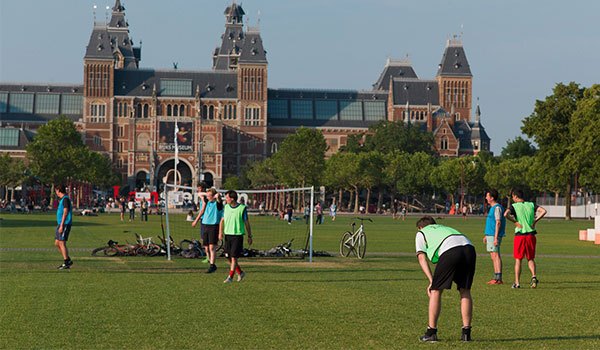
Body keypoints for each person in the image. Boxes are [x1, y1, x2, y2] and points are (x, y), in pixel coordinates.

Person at [415, 216, 476, 342]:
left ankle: (431, 332)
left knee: (436, 291)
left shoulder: (421, 233)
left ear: (420, 227)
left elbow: (421, 258)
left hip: (450, 249)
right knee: (465, 290)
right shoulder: (444, 228)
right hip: (469, 248)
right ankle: (466, 334)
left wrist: (432, 281)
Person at [504, 189, 547, 289]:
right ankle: (533, 276)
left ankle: (517, 282)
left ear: (515, 196)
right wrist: (535, 221)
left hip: (520, 235)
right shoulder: (531, 205)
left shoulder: (514, 206)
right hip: (531, 235)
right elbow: (544, 211)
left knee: (518, 260)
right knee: (530, 258)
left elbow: (506, 214)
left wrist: (515, 222)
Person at [219, 190, 252, 283]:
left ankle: (230, 277)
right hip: (228, 235)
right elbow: (222, 220)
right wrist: (220, 232)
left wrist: (249, 236)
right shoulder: (226, 207)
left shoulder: (242, 208)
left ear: (232, 199)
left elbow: (246, 223)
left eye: (227, 198)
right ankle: (240, 272)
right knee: (228, 256)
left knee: (234, 257)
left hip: (237, 235)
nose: (226, 199)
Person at [193, 188, 224, 273]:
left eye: (209, 196)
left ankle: (212, 265)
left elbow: (219, 201)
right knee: (206, 246)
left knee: (212, 247)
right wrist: (196, 220)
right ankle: (210, 261)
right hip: (205, 225)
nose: (208, 197)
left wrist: (218, 197)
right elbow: (202, 198)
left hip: (213, 226)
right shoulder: (206, 202)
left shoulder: (218, 204)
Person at [483, 189, 506, 284]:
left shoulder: (497, 208)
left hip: (494, 235)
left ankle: (498, 277)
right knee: (493, 255)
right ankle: (496, 276)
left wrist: (495, 238)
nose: (486, 198)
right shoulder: (492, 208)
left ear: (492, 198)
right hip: (490, 235)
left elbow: (498, 222)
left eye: (487, 196)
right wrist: (486, 235)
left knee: (496, 255)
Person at [54, 185, 73, 270]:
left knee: (62, 242)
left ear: (58, 190)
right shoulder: (62, 199)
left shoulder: (65, 199)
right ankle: (68, 259)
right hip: (60, 224)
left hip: (65, 224)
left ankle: (66, 262)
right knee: (57, 243)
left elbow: (65, 212)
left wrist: (62, 225)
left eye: (56, 191)